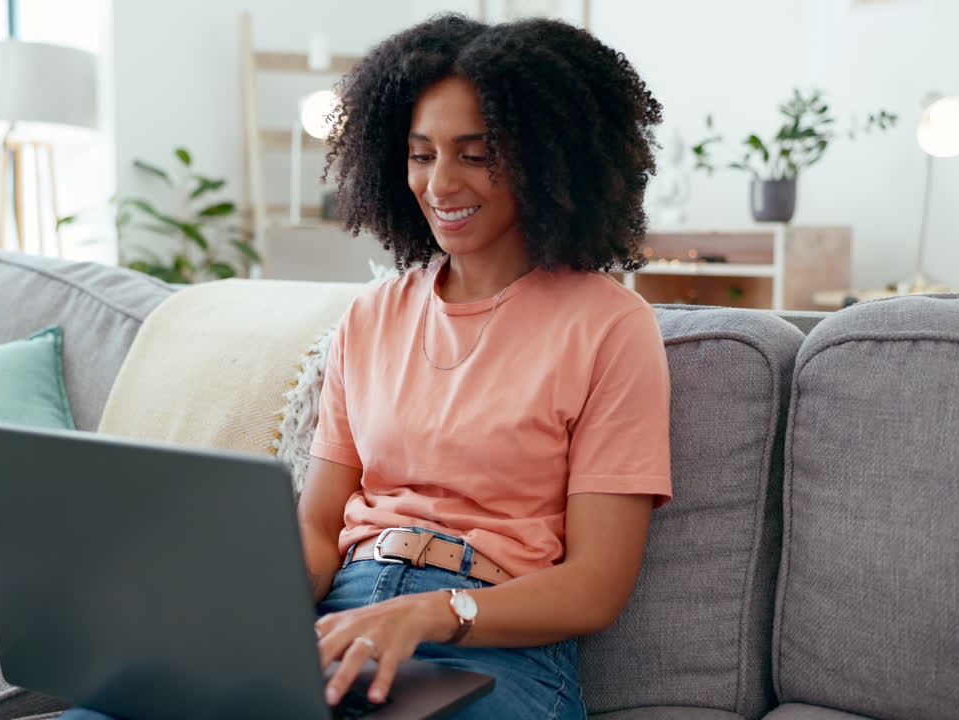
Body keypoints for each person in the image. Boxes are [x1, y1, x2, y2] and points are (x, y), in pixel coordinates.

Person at [61, 12, 669, 720]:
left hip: (491, 644)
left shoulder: (611, 326)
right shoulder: (371, 316)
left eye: (477, 154)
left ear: (548, 157)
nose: (440, 183)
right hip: (344, 614)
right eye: (420, 154)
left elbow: (596, 585)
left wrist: (432, 612)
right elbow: (320, 528)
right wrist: (249, 605)